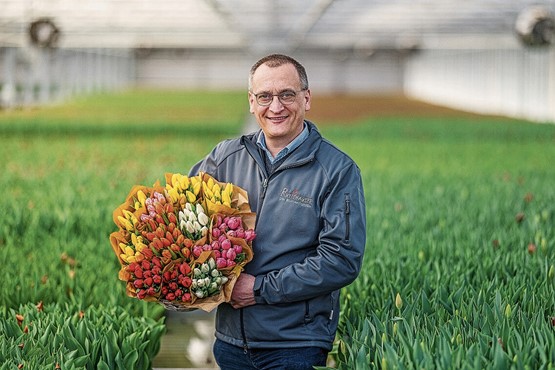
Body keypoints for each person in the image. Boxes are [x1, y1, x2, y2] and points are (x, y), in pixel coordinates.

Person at [189, 53, 366, 370]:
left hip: (295, 345)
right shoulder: (224, 158)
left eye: (287, 94)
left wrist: (259, 289)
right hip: (230, 342)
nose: (276, 107)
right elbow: (183, 217)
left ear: (306, 98)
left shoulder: (336, 170)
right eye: (264, 96)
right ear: (251, 101)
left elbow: (341, 259)